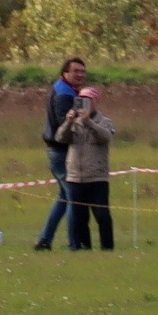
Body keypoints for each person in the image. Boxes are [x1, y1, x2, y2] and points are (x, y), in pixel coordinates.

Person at [53, 81, 116, 251]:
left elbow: (106, 137)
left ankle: (107, 247)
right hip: (76, 177)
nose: (84, 103)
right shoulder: (74, 122)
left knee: (102, 215)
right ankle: (83, 246)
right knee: (79, 217)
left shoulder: (104, 121)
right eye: (81, 99)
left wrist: (89, 122)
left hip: (96, 176)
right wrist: (68, 123)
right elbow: (60, 138)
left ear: (95, 102)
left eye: (88, 100)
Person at [35, 58, 89, 249]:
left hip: (58, 151)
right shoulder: (64, 94)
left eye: (82, 71)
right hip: (61, 152)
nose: (80, 75)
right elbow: (63, 126)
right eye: (76, 71)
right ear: (65, 73)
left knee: (64, 197)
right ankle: (75, 243)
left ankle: (44, 240)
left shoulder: (66, 90)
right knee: (74, 197)